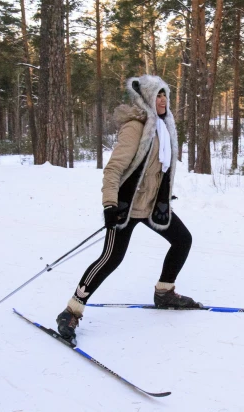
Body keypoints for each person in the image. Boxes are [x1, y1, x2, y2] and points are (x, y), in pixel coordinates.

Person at [56, 75, 201, 342]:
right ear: (145, 98)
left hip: (151, 205)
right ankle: (71, 311)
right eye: (157, 95)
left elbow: (158, 167)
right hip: (126, 206)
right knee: (111, 258)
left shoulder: (163, 127)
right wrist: (110, 204)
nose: (162, 100)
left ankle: (164, 293)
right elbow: (114, 169)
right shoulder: (136, 127)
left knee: (182, 240)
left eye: (165, 95)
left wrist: (163, 192)